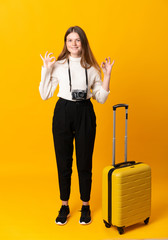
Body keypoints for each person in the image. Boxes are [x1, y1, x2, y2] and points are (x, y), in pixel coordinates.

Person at [39, 26, 114, 226]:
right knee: (63, 161)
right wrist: (46, 70)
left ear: (83, 42)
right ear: (65, 43)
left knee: (84, 161)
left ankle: (85, 205)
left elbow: (101, 98)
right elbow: (45, 94)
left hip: (85, 112)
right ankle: (64, 205)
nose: (73, 44)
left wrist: (106, 75)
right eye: (70, 40)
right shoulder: (58, 65)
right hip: (63, 111)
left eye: (77, 40)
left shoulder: (91, 66)